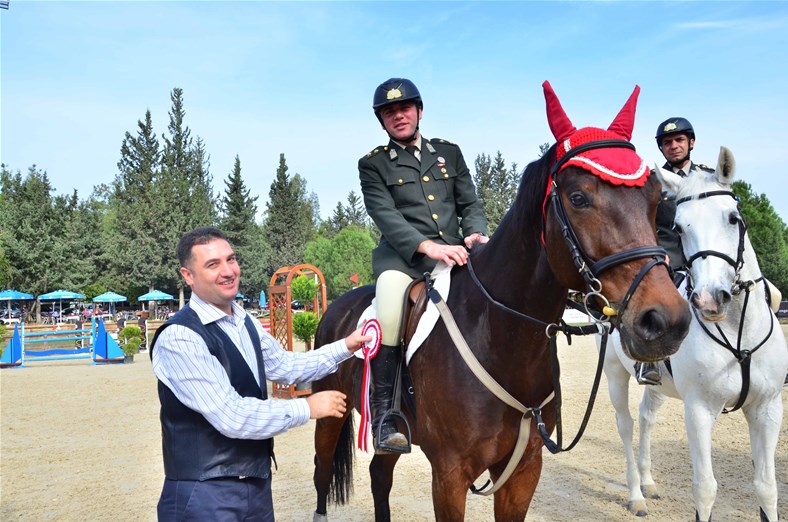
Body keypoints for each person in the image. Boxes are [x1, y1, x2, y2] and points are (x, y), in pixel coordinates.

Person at [150, 227, 371, 522]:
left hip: (255, 486)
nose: (228, 271)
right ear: (188, 275)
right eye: (213, 264)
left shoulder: (245, 321)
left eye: (231, 259)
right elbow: (231, 415)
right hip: (203, 494)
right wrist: (306, 407)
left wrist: (346, 346)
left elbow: (286, 366)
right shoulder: (180, 336)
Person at [359, 78, 489, 453]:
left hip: (456, 252)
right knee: (388, 311)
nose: (398, 116)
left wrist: (475, 232)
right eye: (389, 112)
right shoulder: (373, 164)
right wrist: (428, 246)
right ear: (382, 120)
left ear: (418, 111)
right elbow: (385, 216)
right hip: (404, 261)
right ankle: (385, 418)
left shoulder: (449, 152)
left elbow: (469, 203)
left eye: (404, 108)